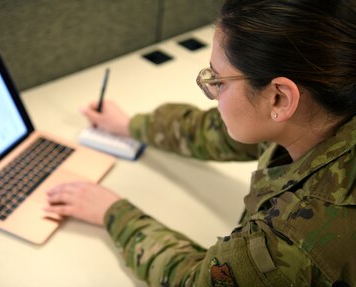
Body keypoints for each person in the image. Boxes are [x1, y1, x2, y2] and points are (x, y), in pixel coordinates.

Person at [45, 0, 356, 285]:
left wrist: (113, 212)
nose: (213, 92)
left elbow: (193, 281)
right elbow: (213, 131)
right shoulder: (328, 106)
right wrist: (130, 126)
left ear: (279, 98)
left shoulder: (294, 241)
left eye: (218, 81)